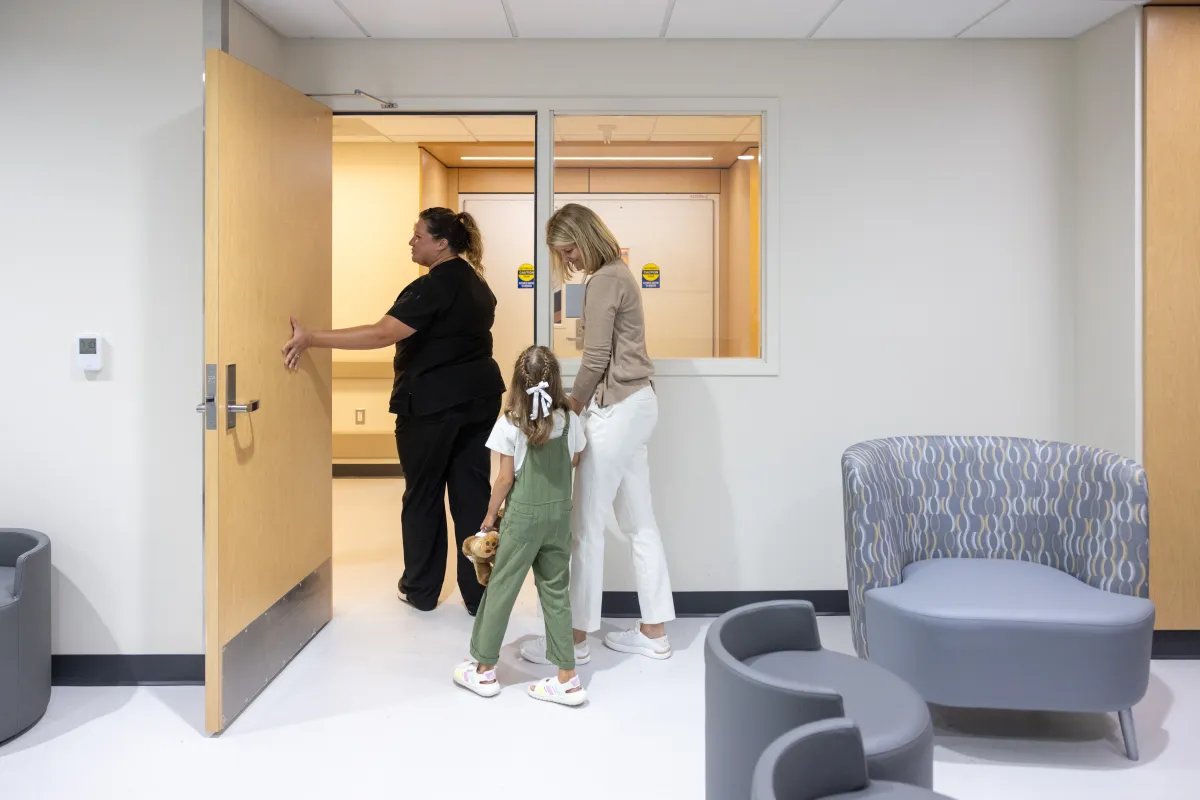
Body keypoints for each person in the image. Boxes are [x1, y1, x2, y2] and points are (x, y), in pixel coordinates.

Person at [282, 207, 505, 615]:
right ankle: (479, 596)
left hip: (433, 405)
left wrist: (311, 338)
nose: (411, 242)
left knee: (423, 494)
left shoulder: (433, 286)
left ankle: (421, 589)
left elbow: (381, 333)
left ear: (442, 244)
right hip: (480, 400)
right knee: (472, 494)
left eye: (418, 235)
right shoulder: (477, 284)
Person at [520, 203, 676, 667]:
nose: (568, 261)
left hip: (619, 410)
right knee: (640, 523)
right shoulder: (620, 274)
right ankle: (654, 633)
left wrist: (570, 407)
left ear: (586, 238)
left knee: (584, 528)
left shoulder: (605, 279)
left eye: (569, 250)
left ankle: (572, 641)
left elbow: (595, 358)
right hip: (639, 405)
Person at [453, 345, 588, 706]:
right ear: (555, 381)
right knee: (556, 592)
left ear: (517, 382)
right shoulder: (570, 420)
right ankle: (567, 678)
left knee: (502, 587)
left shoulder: (511, 422)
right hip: (558, 516)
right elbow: (575, 458)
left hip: (523, 519)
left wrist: (489, 517)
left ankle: (484, 670)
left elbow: (504, 480)